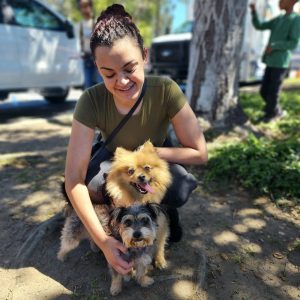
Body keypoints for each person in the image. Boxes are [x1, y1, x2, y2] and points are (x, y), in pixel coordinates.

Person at [64, 4, 208, 275]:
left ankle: (164, 216)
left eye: (129, 68)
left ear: (144, 56)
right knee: (93, 188)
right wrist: (103, 241)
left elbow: (199, 153)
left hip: (154, 160)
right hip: (113, 158)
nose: (121, 81)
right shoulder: (91, 100)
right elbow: (73, 179)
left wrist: (150, 156)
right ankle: (114, 228)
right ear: (97, 68)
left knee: (175, 188)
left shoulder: (166, 90)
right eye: (108, 74)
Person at [249, 0, 300, 122]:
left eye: (282, 0)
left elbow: (293, 43)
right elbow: (260, 26)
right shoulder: (279, 18)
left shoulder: (295, 19)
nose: (279, 2)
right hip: (270, 61)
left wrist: (274, 45)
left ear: (291, 2)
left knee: (273, 91)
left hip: (280, 62)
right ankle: (276, 111)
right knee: (264, 91)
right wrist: (254, 12)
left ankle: (271, 114)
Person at [77, 0, 102, 89]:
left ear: (90, 6)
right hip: (87, 58)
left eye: (87, 6)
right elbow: (79, 42)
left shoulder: (97, 22)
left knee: (101, 85)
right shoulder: (80, 25)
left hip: (98, 58)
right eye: (82, 7)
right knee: (88, 86)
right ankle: (90, 103)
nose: (85, 9)